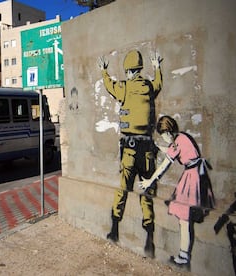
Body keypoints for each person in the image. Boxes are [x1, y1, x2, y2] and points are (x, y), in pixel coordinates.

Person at [98, 50, 163, 258]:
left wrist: (104, 71)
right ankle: (149, 236)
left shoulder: (124, 88)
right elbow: (159, 83)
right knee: (146, 192)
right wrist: (158, 67)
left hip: (130, 149)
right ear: (140, 69)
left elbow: (109, 86)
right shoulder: (149, 87)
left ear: (127, 70)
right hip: (148, 151)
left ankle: (115, 228)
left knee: (123, 189)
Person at [139, 115, 215, 269]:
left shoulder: (177, 142)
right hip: (195, 175)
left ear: (167, 133)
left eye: (163, 135)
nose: (164, 138)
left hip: (191, 178)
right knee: (185, 219)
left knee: (184, 220)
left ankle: (183, 255)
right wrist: (159, 147)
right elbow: (172, 150)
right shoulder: (182, 137)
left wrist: (149, 181)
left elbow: (164, 166)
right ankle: (183, 254)